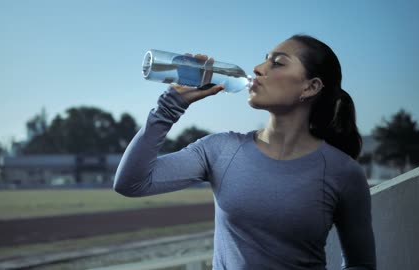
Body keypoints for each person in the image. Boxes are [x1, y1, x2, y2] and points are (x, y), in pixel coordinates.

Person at [113, 34, 376, 270]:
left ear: (310, 87)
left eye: (277, 62)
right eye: (264, 60)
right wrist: (170, 106)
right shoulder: (220, 150)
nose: (258, 69)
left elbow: (361, 264)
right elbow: (131, 183)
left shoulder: (344, 173)